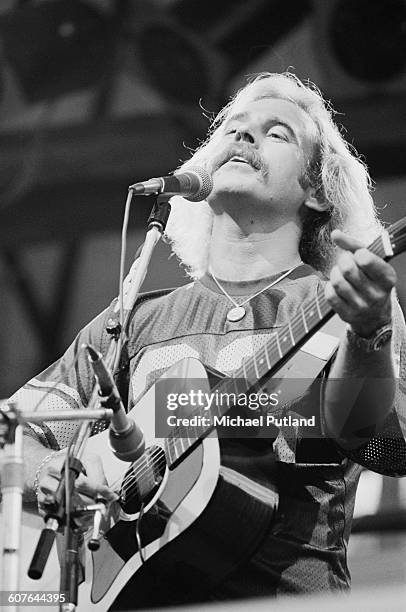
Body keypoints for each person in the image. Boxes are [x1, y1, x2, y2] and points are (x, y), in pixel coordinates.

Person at [12, 72, 406, 607]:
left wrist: (367, 337)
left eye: (276, 133)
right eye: (233, 128)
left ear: (315, 192)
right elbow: (13, 433)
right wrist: (48, 474)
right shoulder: (136, 319)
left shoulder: (348, 303)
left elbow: (386, 443)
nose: (243, 138)